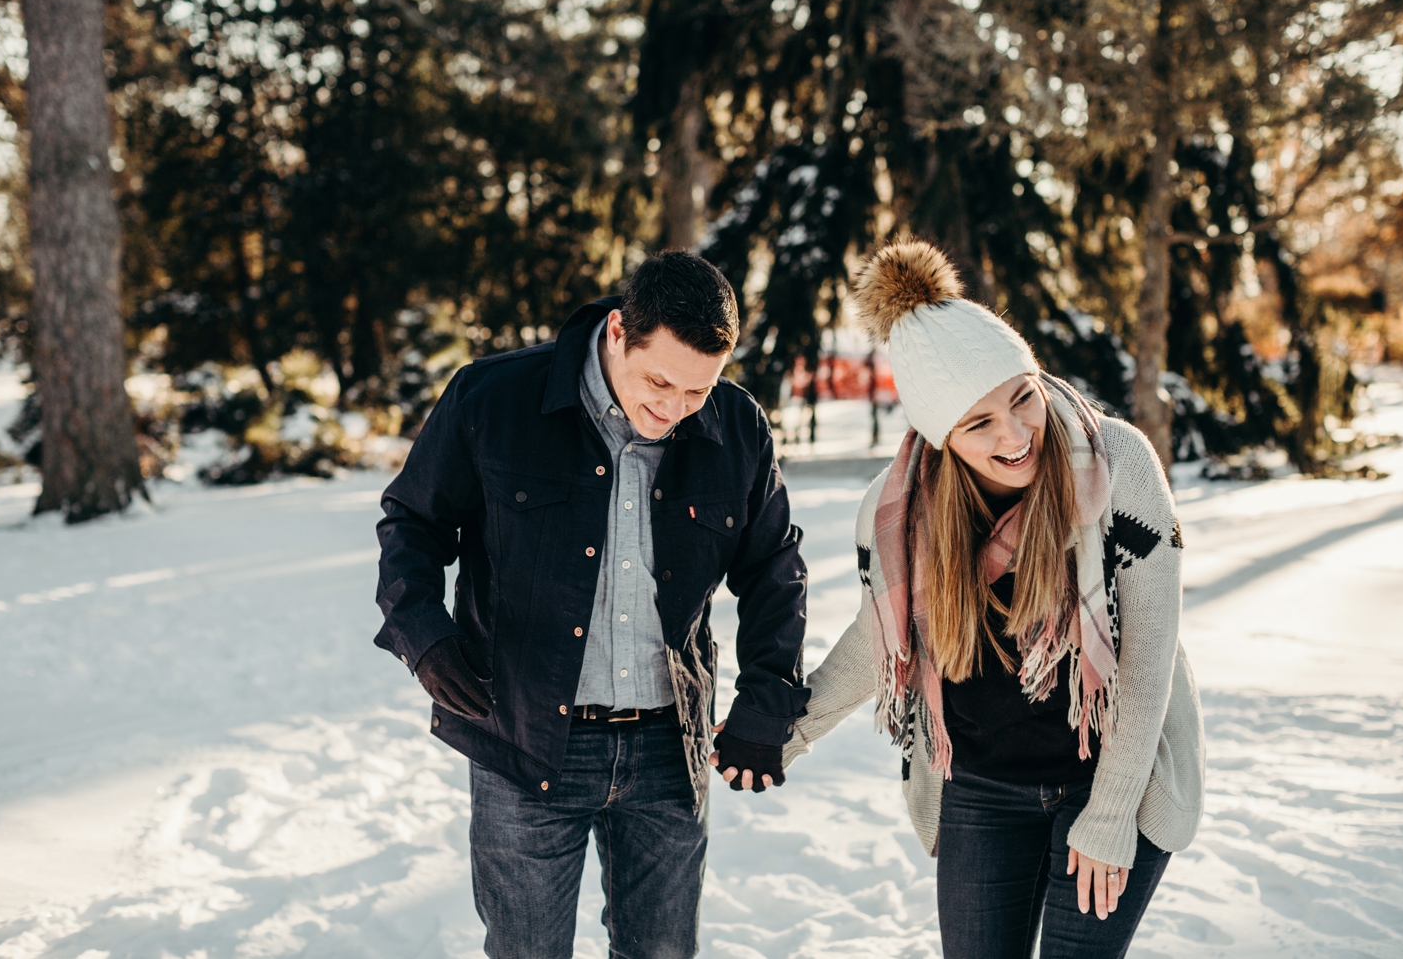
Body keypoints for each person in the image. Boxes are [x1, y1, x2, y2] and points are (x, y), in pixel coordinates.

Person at [773, 241, 1205, 959]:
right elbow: (879, 640)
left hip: (1108, 777)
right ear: (941, 436)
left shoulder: (1117, 464)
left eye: (1022, 397)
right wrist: (785, 732)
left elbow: (1149, 657)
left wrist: (1109, 812)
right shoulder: (904, 509)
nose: (1015, 434)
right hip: (982, 788)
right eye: (978, 424)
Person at [374, 251, 810, 959]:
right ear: (616, 331)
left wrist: (768, 700)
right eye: (659, 381)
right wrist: (423, 636)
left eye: (697, 390)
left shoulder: (737, 427)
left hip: (669, 749)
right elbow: (411, 524)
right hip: (522, 735)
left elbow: (773, 568)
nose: (673, 409)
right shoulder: (492, 399)